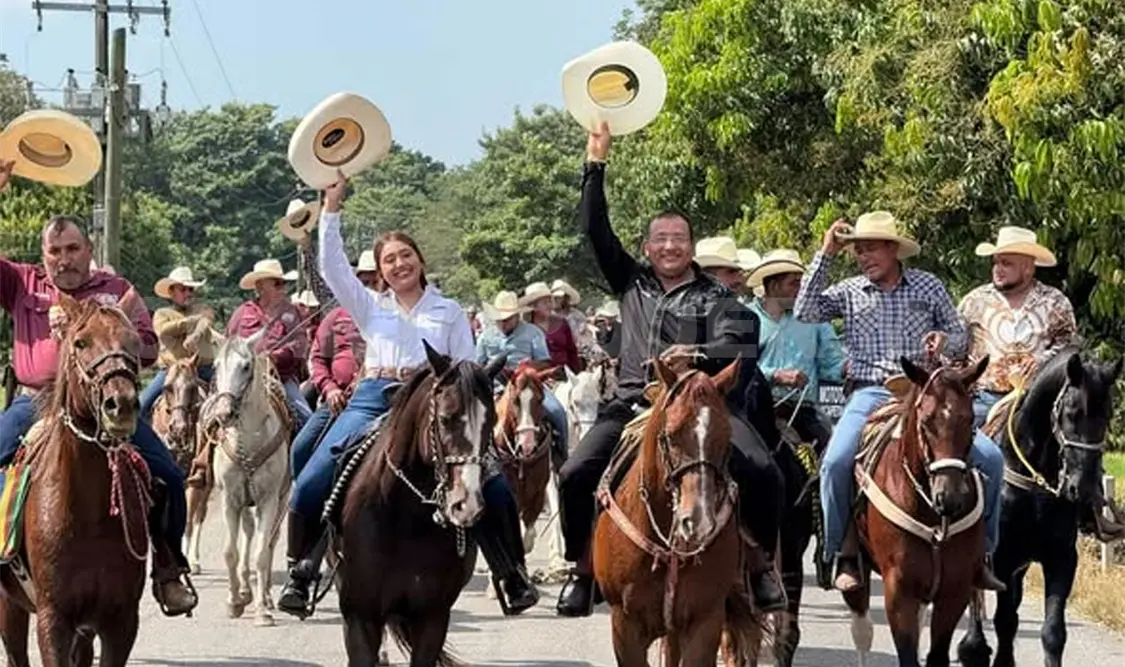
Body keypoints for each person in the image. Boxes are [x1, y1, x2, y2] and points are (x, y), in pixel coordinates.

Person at [278, 171, 539, 619]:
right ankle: (303, 570)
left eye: (406, 255)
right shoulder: (368, 305)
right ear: (380, 272)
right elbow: (331, 267)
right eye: (390, 261)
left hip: (437, 405)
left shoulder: (449, 310)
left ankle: (510, 573)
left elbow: (465, 368)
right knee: (311, 482)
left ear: (419, 260)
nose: (399, 264)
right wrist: (333, 208)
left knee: (493, 484)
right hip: (375, 397)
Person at [555, 122, 787, 617]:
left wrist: (698, 358)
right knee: (574, 472)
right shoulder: (631, 283)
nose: (668, 247)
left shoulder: (719, 297)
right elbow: (594, 228)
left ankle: (760, 564)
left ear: (692, 246)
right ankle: (581, 571)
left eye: (678, 239)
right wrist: (595, 164)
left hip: (705, 409)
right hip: (635, 404)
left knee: (766, 471)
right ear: (646, 247)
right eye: (659, 239)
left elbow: (744, 343)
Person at [0, 163, 197, 615]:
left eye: (73, 248)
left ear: (90, 250)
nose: (64, 258)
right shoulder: (20, 282)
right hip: (36, 403)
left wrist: (121, 331)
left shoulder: (118, 291)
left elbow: (147, 350)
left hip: (106, 407)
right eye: (55, 251)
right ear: (43, 254)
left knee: (167, 475)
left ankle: (168, 568)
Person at [793, 212, 1006, 592]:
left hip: (925, 392)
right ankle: (842, 553)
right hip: (870, 392)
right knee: (835, 461)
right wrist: (826, 253)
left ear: (893, 250)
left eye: (871, 249)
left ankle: (982, 554)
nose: (863, 257)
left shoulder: (928, 285)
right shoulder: (849, 289)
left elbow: (961, 338)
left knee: (991, 458)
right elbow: (804, 310)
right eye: (858, 251)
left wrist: (944, 340)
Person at [958, 226, 1079, 428]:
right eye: (995, 262)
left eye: (1006, 264)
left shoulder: (1055, 302)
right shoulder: (974, 301)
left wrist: (1041, 360)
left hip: (1037, 398)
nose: (998, 269)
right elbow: (957, 348)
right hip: (982, 398)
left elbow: (1070, 348)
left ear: (1028, 268)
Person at [747, 249, 844, 453]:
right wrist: (775, 376)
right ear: (773, 285)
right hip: (755, 408)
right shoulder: (746, 318)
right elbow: (739, 369)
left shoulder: (815, 319)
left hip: (803, 411)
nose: (802, 289)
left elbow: (832, 365)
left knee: (834, 453)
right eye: (794, 283)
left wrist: (848, 368)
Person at [289, 259, 377, 477]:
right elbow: (317, 358)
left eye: (374, 280)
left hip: (380, 397)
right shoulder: (337, 316)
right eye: (364, 281)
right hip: (340, 398)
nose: (369, 286)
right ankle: (300, 503)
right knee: (300, 448)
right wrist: (330, 389)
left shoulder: (395, 315)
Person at [476, 289, 571, 464]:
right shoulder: (485, 336)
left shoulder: (533, 333)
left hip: (527, 384)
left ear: (517, 316)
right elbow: (477, 364)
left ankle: (563, 456)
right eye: (499, 320)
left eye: (507, 319)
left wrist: (528, 367)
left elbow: (545, 362)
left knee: (557, 411)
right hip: (495, 385)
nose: (503, 323)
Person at [140, 267, 215, 420]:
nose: (188, 293)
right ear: (171, 292)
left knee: (232, 400)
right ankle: (135, 441)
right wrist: (190, 322)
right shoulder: (162, 314)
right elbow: (163, 330)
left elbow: (206, 322)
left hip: (202, 369)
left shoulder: (203, 309)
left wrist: (195, 335)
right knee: (141, 406)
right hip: (171, 371)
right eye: (183, 289)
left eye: (191, 290)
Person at [525, 282, 582, 375]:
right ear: (534, 306)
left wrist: (578, 374)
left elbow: (572, 351)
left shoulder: (562, 322)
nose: (549, 305)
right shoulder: (526, 330)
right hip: (542, 378)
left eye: (550, 301)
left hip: (567, 374)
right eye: (544, 302)